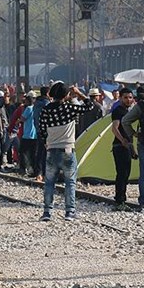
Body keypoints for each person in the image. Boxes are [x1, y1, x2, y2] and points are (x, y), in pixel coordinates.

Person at [38, 82, 95, 221]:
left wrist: (47, 141)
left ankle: (47, 212)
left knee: (49, 182)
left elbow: (41, 129)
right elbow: (90, 106)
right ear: (66, 95)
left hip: (51, 150)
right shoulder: (69, 108)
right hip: (68, 150)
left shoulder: (46, 110)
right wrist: (79, 93)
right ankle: (69, 212)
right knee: (70, 182)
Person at [110, 88, 135, 211]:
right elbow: (114, 128)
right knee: (122, 173)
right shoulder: (118, 111)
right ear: (120, 98)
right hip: (119, 147)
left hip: (126, 146)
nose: (128, 100)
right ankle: (120, 200)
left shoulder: (127, 111)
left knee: (125, 174)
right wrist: (122, 140)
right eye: (125, 97)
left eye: (130, 97)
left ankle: (121, 198)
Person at [18, 92, 37, 177]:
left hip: (27, 134)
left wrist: (17, 121)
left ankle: (23, 168)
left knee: (23, 152)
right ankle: (33, 168)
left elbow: (22, 119)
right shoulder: (36, 108)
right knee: (33, 153)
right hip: (34, 134)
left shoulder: (28, 108)